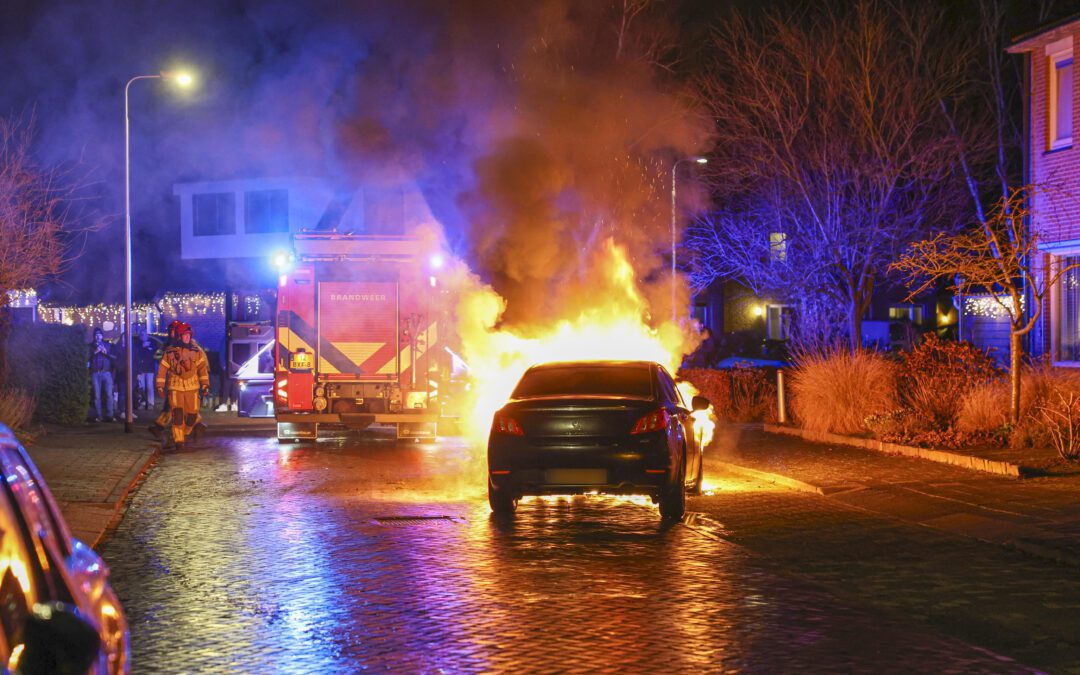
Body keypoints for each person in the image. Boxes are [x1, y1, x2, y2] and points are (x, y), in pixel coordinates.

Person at [154, 322, 209, 451]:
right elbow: (162, 369)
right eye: (184, 335)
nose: (187, 338)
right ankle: (179, 441)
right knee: (177, 414)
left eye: (188, 335)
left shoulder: (196, 351)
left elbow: (202, 369)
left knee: (192, 415)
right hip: (175, 387)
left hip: (192, 387)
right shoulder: (170, 352)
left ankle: (186, 432)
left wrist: (205, 385)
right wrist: (160, 386)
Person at [88, 327, 117, 422]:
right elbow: (87, 357)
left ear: (102, 336)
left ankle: (110, 415)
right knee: (97, 396)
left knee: (109, 395)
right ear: (94, 336)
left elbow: (114, 357)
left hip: (106, 373)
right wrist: (95, 352)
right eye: (96, 335)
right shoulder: (90, 346)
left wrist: (106, 352)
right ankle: (99, 416)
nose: (98, 336)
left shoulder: (108, 345)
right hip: (95, 373)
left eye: (99, 335)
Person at [134, 326, 158, 410]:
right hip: (140, 369)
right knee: (141, 387)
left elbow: (154, 354)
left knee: (149, 386)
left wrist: (148, 348)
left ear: (147, 335)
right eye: (141, 335)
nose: (142, 336)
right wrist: (143, 347)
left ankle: (150, 403)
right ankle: (142, 402)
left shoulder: (152, 344)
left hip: (150, 369)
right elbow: (136, 355)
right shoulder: (138, 345)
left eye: (144, 334)